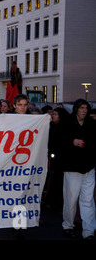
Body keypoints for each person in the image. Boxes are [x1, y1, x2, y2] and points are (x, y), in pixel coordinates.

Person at [55, 99, 96, 239]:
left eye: (86, 108)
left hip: (88, 167)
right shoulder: (66, 122)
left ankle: (89, 231)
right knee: (71, 200)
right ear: (76, 109)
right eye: (82, 107)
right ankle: (68, 225)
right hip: (72, 167)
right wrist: (72, 142)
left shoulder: (91, 124)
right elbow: (58, 141)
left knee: (88, 200)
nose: (84, 110)